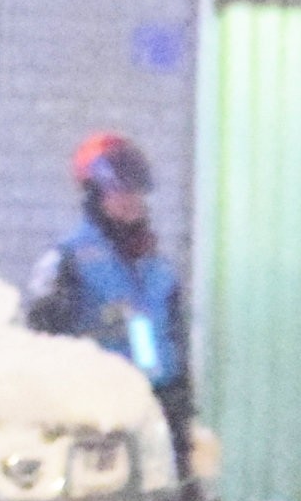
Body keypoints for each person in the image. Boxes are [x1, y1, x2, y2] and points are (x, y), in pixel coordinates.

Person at [22, 131, 195, 465]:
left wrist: (180, 415)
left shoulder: (159, 269)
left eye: (136, 190)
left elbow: (174, 346)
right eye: (119, 190)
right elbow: (42, 342)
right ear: (95, 194)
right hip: (97, 419)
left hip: (159, 415)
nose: (130, 199)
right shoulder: (67, 262)